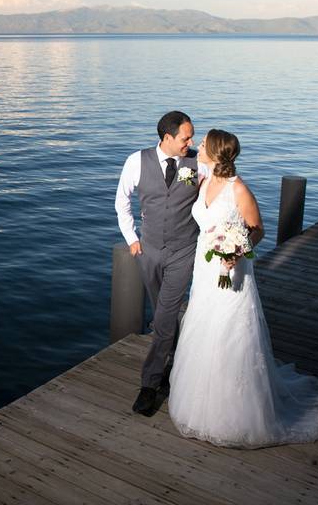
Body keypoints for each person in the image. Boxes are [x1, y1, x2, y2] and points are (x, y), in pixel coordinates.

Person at [168, 129, 318, 448]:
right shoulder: (203, 179)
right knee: (203, 326)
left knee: (230, 332)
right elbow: (187, 198)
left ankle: (236, 414)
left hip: (232, 271)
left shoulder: (239, 189)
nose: (199, 147)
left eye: (203, 144)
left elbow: (257, 229)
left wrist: (237, 251)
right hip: (204, 268)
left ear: (217, 153)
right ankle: (200, 403)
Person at [115, 111, 210, 417]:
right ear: (167, 138)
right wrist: (132, 238)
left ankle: (149, 385)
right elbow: (122, 201)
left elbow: (220, 195)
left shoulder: (200, 164)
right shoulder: (136, 162)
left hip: (184, 250)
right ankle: (176, 362)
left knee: (165, 315)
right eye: (186, 137)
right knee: (163, 316)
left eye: (192, 137)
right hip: (149, 251)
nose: (191, 142)